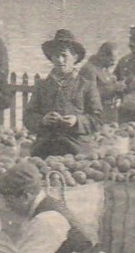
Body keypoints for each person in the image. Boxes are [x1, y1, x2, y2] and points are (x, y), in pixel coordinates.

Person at [24, 29, 102, 157]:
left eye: (64, 55)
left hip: (76, 147)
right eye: (56, 56)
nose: (60, 60)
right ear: (51, 58)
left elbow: (97, 120)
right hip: (44, 148)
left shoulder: (86, 85)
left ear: (75, 58)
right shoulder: (42, 85)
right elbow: (28, 117)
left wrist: (77, 121)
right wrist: (43, 120)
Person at [80, 42, 120, 115]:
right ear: (102, 55)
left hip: (108, 111)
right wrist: (115, 88)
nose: (113, 64)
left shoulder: (104, 68)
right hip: (95, 113)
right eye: (112, 60)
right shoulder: (89, 70)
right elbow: (89, 95)